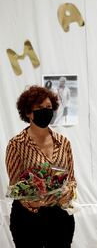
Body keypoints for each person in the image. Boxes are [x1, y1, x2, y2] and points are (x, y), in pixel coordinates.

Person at [5, 85, 77, 247]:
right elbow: (15, 186)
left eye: (49, 108)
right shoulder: (17, 144)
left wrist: (69, 192)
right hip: (28, 219)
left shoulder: (64, 142)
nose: (45, 111)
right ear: (28, 113)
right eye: (40, 108)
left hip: (60, 216)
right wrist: (31, 203)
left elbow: (71, 179)